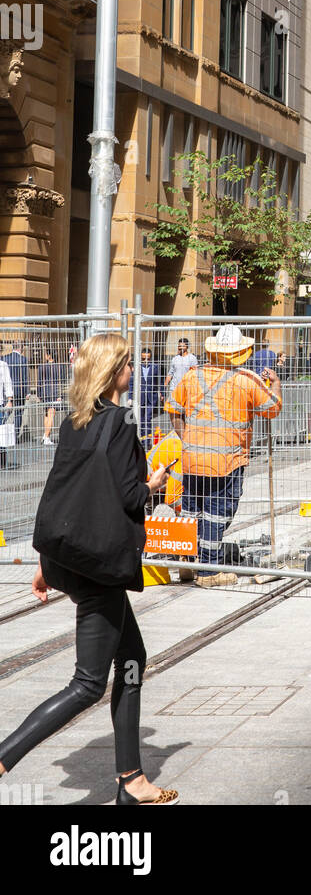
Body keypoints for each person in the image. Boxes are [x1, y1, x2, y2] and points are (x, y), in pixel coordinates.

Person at [0, 332, 178, 805]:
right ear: (114, 370)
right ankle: (2, 757)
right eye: (127, 363)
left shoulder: (75, 422)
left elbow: (61, 493)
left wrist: (46, 561)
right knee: (86, 684)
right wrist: (154, 482)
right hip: (100, 566)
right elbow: (131, 497)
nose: (133, 369)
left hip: (72, 558)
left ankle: (132, 780)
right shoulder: (120, 424)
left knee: (133, 658)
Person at [165, 325, 282, 587]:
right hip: (227, 461)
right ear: (241, 351)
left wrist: (186, 438)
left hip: (193, 458)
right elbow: (272, 409)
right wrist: (275, 382)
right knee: (218, 513)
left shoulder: (192, 377)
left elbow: (172, 408)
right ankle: (208, 572)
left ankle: (188, 563)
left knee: (192, 511)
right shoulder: (247, 380)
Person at [136, 347, 163, 448]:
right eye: (143, 359)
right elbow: (131, 383)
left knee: (148, 418)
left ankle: (147, 441)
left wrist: (162, 393)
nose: (145, 361)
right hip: (140, 396)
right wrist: (130, 397)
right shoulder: (137, 367)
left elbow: (160, 380)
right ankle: (142, 440)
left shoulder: (155, 367)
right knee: (141, 419)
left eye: (148, 359)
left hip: (152, 396)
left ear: (151, 358)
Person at [36, 349, 62, 445]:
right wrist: (60, 395)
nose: (45, 355)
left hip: (44, 393)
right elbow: (61, 381)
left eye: (46, 354)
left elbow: (39, 382)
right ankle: (47, 436)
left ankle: (45, 435)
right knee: (51, 414)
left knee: (47, 414)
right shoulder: (59, 367)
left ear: (49, 355)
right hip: (54, 393)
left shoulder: (41, 367)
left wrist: (38, 394)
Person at [0, 355, 13, 469]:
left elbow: (7, 383)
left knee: (1, 433)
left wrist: (9, 400)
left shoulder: (2, 365)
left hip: (0, 404)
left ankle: (2, 461)